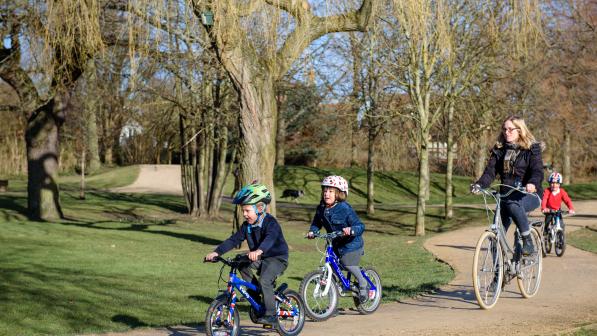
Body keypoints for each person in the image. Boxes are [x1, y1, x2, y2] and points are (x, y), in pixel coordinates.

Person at [205, 183, 289, 325]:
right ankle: (255, 298)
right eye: (243, 211)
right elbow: (233, 240)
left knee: (264, 280)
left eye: (247, 210)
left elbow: (270, 238)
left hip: (277, 258)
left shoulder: (271, 223)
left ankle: (271, 315)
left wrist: (258, 251)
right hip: (260, 257)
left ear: (260, 208)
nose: (244, 214)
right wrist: (216, 252)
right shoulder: (247, 226)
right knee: (241, 263)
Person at [471, 115, 544, 256]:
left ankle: (527, 240)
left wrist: (532, 183)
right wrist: (479, 185)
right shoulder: (499, 150)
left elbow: (537, 171)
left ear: (520, 130)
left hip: (529, 193)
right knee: (495, 238)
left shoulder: (532, 149)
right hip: (505, 196)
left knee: (513, 204)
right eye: (504, 129)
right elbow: (489, 173)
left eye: (511, 129)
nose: (507, 132)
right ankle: (499, 275)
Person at [306, 175, 368, 302]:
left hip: (351, 244)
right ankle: (333, 301)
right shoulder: (321, 208)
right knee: (331, 267)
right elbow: (316, 223)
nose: (326, 194)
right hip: (334, 243)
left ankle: (363, 284)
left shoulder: (345, 208)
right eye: (325, 191)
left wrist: (351, 230)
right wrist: (313, 231)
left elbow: (360, 226)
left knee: (347, 263)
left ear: (339, 194)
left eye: (331, 191)